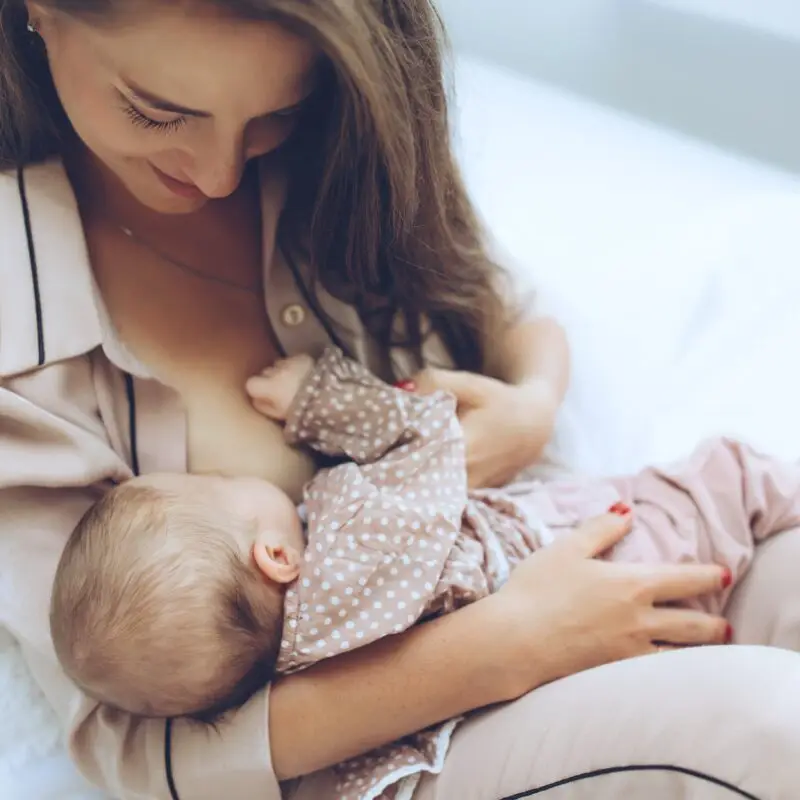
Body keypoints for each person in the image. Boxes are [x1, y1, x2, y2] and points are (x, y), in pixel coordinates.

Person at [0, 1, 798, 799]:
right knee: (770, 724)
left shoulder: (338, 154)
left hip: (558, 561)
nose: (220, 175)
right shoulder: (19, 314)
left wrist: (531, 406)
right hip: (393, 752)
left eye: (273, 115)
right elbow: (134, 751)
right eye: (157, 111)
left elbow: (508, 306)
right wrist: (509, 640)